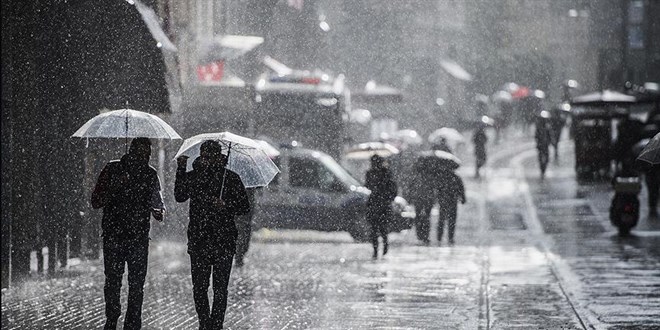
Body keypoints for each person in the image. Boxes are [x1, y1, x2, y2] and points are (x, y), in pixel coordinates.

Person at [175, 140, 251, 329]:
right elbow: (180, 195)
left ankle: (216, 324)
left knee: (220, 289)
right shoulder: (194, 176)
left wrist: (225, 205)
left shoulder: (231, 178)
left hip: (223, 240)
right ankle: (204, 322)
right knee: (200, 288)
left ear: (219, 157)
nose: (206, 160)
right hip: (199, 239)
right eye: (204, 156)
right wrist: (181, 169)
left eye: (210, 156)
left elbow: (244, 207)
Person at [91, 137, 164, 330]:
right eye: (141, 153)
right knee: (113, 280)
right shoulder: (112, 169)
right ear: (131, 152)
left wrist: (158, 212)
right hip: (114, 235)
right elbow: (96, 201)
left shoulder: (150, 174)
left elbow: (158, 203)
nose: (145, 158)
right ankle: (112, 316)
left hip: (139, 237)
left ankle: (133, 322)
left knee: (136, 284)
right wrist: (116, 186)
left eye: (147, 154)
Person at [364, 155, 398, 259]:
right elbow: (367, 185)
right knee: (376, 229)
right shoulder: (371, 173)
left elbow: (393, 188)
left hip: (381, 204)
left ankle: (383, 247)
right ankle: (377, 249)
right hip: (376, 203)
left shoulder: (386, 173)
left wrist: (387, 197)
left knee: (380, 229)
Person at [435, 168, 466, 245]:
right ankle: (450, 238)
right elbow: (461, 189)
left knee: (441, 219)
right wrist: (462, 198)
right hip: (452, 201)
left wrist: (438, 198)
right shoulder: (456, 177)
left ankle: (439, 237)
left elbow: (437, 189)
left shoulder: (441, 177)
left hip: (443, 201)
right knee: (452, 220)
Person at [234, 188, 256, 267]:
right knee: (242, 236)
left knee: (244, 236)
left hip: (245, 216)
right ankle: (239, 254)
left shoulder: (251, 188)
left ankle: (239, 254)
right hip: (241, 215)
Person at [535, 112, 552, 179]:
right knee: (541, 157)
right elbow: (536, 136)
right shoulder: (539, 127)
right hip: (541, 145)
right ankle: (542, 169)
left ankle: (543, 169)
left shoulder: (547, 127)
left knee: (546, 157)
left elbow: (550, 135)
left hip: (545, 145)